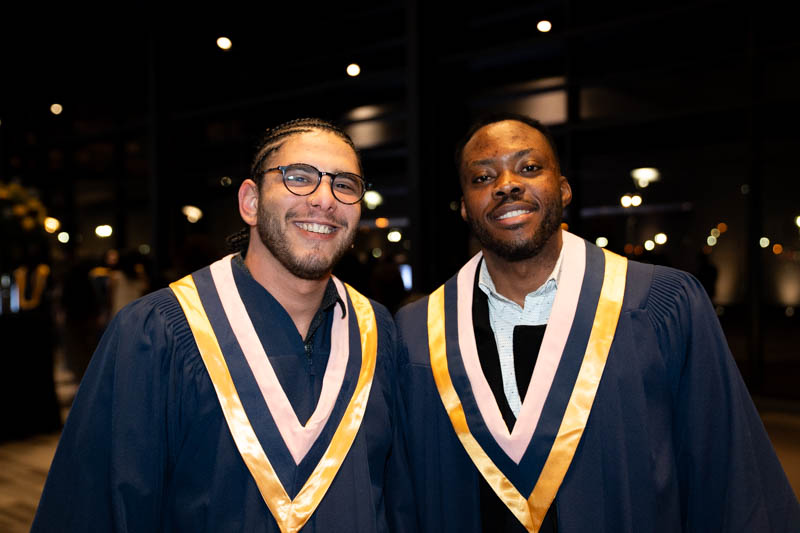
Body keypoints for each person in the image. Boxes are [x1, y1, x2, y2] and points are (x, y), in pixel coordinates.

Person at [396, 113, 800, 532]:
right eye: (482, 177)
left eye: (529, 168)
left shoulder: (660, 305)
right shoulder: (419, 333)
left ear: (564, 188)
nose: (507, 184)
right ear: (464, 206)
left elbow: (729, 475)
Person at [33, 118, 416, 532]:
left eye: (344, 185)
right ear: (250, 202)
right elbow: (93, 514)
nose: (324, 198)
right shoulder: (157, 333)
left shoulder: (378, 332)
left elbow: (397, 505)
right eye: (298, 178)